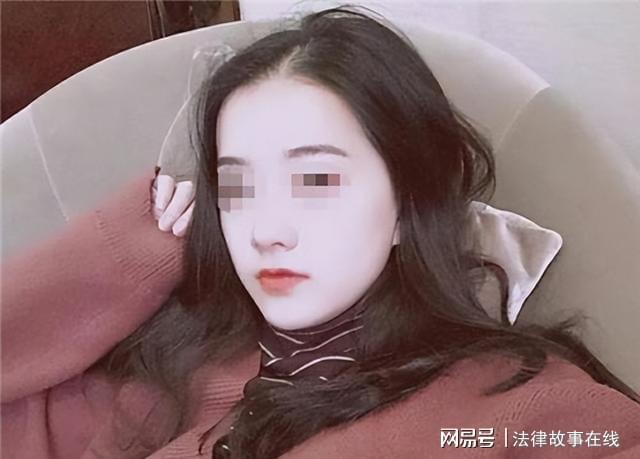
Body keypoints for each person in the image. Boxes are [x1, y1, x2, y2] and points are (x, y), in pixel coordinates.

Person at [2, 5, 640, 459]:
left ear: (406, 202)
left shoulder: (508, 410)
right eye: (238, 188)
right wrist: (120, 254)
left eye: (315, 181)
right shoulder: (179, 366)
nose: (266, 231)